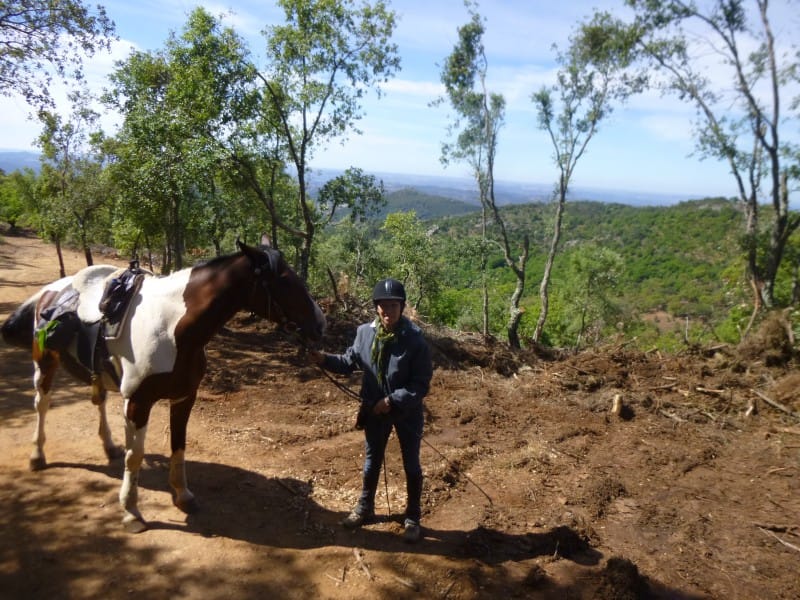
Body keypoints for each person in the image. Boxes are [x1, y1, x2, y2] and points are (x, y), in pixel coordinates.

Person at [310, 278, 433, 543]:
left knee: (411, 464)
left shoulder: (415, 340)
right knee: (371, 462)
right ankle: (365, 509)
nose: (387, 311)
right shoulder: (364, 333)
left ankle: (412, 516)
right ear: (376, 307)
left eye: (393, 305)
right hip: (374, 410)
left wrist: (392, 400)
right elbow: (348, 361)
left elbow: (420, 384)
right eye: (382, 305)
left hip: (406, 412)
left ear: (402, 307)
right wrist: (323, 360)